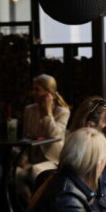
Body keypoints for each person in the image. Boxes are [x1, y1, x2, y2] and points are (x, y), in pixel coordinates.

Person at [16, 74, 70, 202]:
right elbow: (26, 137)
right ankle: (31, 207)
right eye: (33, 89)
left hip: (53, 159)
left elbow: (54, 135)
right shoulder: (29, 110)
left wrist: (48, 113)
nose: (33, 93)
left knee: (36, 171)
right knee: (16, 173)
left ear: (49, 93)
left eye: (37, 89)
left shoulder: (62, 112)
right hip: (33, 159)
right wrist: (23, 159)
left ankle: (43, 208)